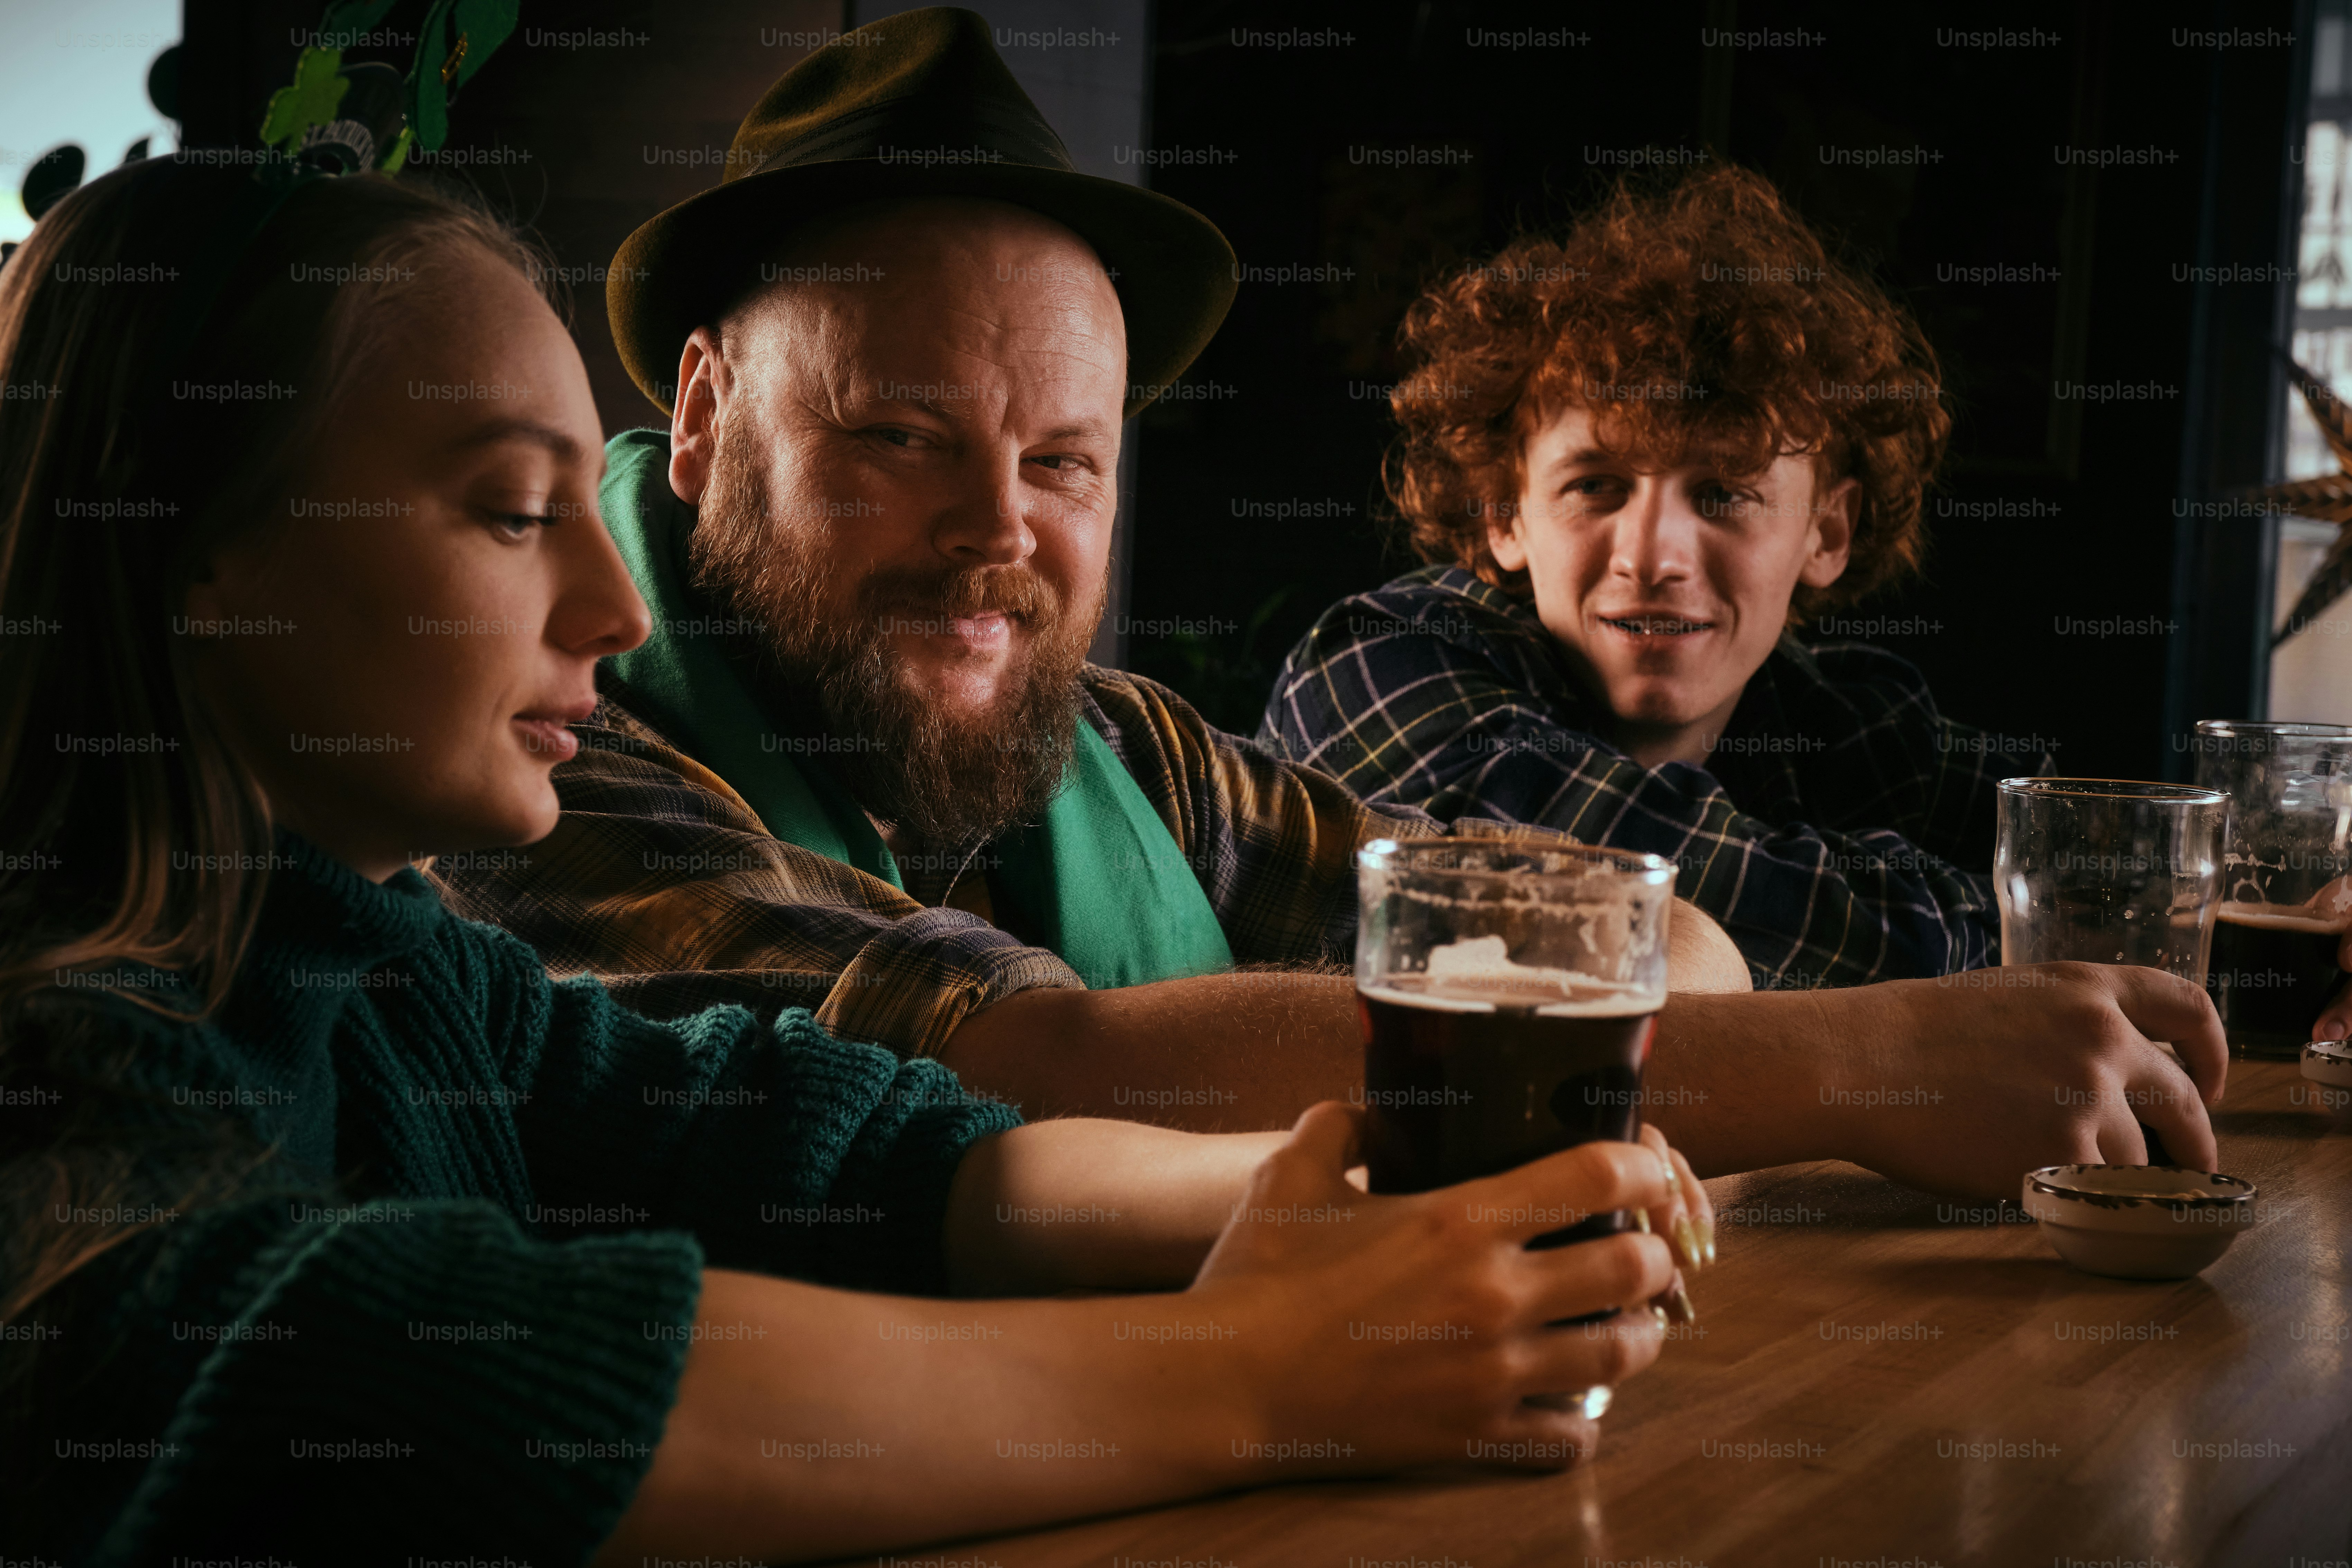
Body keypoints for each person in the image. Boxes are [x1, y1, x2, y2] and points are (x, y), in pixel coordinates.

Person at [0, 150, 1709, 1560]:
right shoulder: (54, 1041)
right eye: (516, 512)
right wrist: (1252, 1365)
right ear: (193, 549)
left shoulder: (380, 969)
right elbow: (393, 1365)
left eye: (1060, 459)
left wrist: (1292, 1193)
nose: (606, 603)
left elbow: (785, 1134)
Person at [433, 10, 2227, 1201]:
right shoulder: (529, 760)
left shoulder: (1121, 742)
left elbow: (1595, 932)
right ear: (700, 418)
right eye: (899, 437)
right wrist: (1858, 1068)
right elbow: (1021, 1065)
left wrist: (1694, 1018)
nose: (999, 531)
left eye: (1065, 462)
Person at [1262, 165, 2053, 992]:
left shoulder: (1842, 718)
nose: (1652, 558)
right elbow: (1705, 912)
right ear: (1504, 515)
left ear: (1827, 532)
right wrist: (2027, 931)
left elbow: (2118, 856)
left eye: (1721, 493)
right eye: (1595, 485)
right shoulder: (1377, 666)